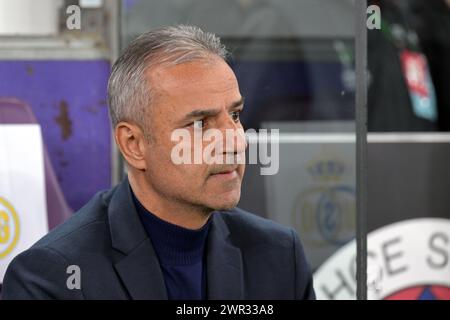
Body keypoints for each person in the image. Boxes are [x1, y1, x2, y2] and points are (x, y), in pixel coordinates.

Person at [2, 25, 315, 300]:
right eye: (200, 124)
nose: (235, 141)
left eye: (234, 115)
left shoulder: (279, 256)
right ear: (133, 144)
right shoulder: (52, 278)